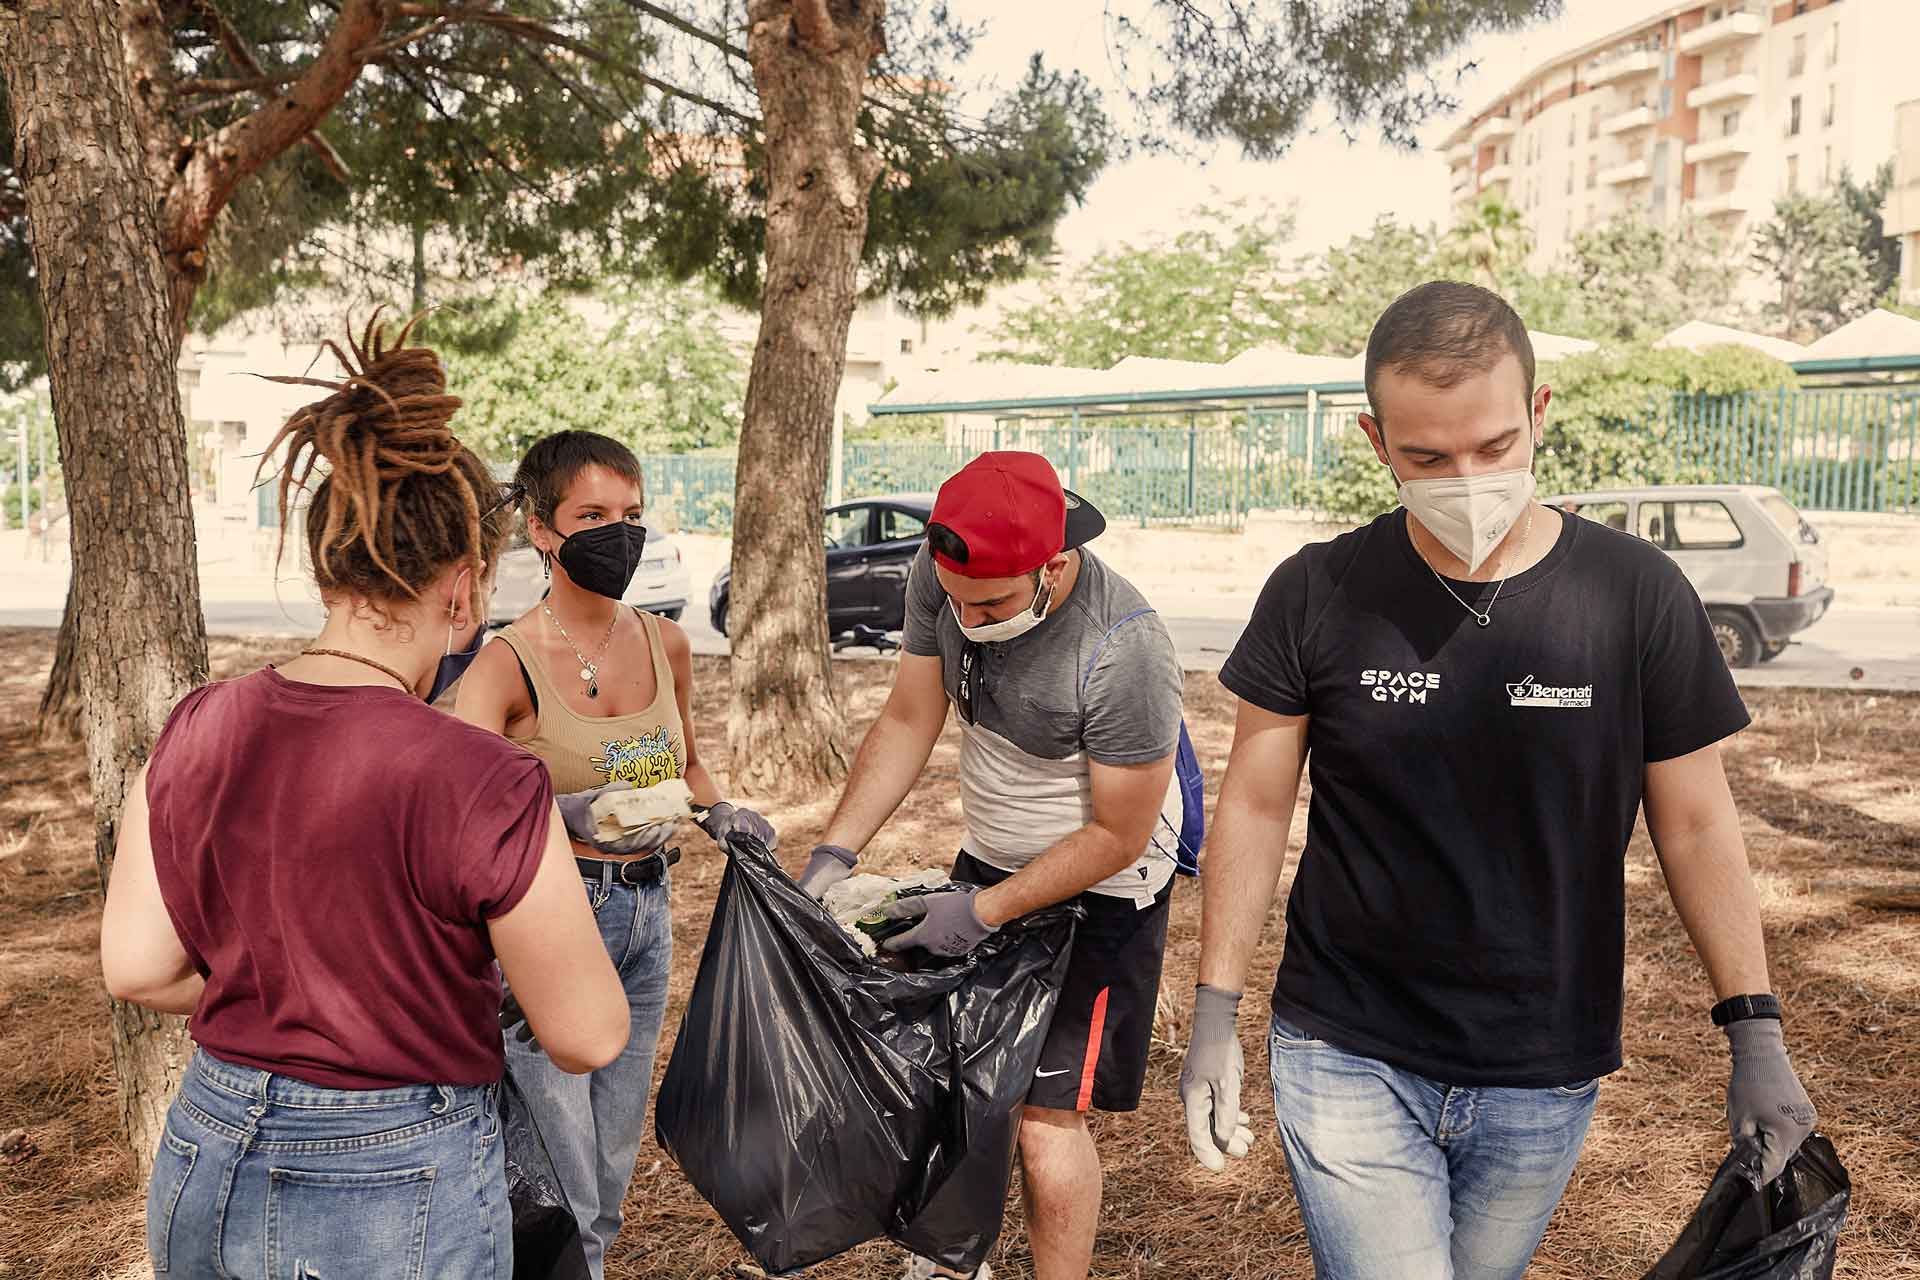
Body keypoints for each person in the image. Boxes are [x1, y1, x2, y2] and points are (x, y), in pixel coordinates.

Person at [1178, 282, 1819, 1279]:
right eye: (1427, 456)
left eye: (1493, 446)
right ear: (1375, 438)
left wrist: (1756, 1029)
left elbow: (1694, 823)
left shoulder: (1634, 593)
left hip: (1544, 1059)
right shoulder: (1316, 589)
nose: (1466, 478)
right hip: (1346, 1043)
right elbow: (1256, 801)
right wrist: (1214, 1009)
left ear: (1539, 413)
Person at [99, 316, 629, 1280]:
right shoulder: (487, 777)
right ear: (463, 591)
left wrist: (286, 999)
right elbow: (589, 1032)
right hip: (395, 1175)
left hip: (207, 1148)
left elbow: (136, 968)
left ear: (325, 566)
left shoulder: (194, 725)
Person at [798, 451, 1199, 1280]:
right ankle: (951, 1259)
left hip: (1106, 887)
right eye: (957, 599)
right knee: (955, 1072)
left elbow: (1119, 836)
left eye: (991, 603)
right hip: (993, 849)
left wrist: (981, 912)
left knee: (1045, 1113)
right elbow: (912, 713)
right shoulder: (943, 569)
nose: (969, 619)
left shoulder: (1125, 646)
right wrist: (835, 851)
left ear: (1053, 564)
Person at [455, 429, 774, 1279]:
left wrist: (723, 815)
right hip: (554, 916)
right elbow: (451, 810)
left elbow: (691, 764)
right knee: (555, 1170)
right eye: (592, 514)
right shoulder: (506, 663)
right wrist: (562, 811)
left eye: (631, 514)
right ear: (541, 528)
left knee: (607, 1170)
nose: (619, 533)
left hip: (647, 912)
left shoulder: (664, 643)